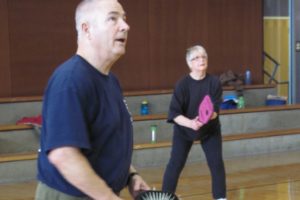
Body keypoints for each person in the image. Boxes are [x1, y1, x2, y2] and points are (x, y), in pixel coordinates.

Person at [35, 0, 150, 199]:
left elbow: (106, 142)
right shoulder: (70, 80)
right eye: (113, 18)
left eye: (124, 19)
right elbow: (63, 155)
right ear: (87, 29)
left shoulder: (110, 80)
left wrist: (131, 175)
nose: (125, 26)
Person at [162, 45, 227, 200]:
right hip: (184, 129)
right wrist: (191, 123)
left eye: (204, 56)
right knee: (175, 164)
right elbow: (175, 114)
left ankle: (220, 198)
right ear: (189, 63)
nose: (201, 60)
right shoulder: (182, 85)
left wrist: (207, 117)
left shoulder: (214, 82)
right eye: (196, 58)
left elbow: (216, 109)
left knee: (216, 164)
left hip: (209, 130)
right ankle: (164, 197)